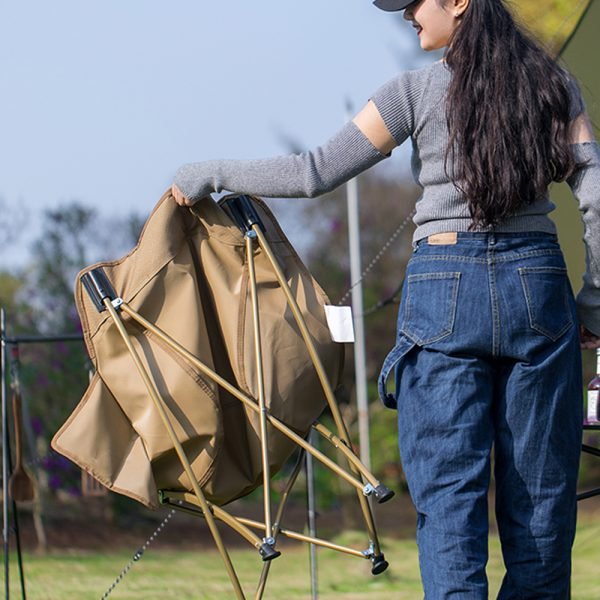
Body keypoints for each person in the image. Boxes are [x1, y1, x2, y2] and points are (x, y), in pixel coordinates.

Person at [171, 0, 600, 597]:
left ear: (458, 1)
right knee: (542, 509)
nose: (404, 15)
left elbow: (313, 172)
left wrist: (210, 170)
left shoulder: (413, 92)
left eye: (413, 3)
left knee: (450, 505)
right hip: (538, 289)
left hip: (443, 287)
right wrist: (594, 305)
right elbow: (596, 196)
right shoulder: (554, 85)